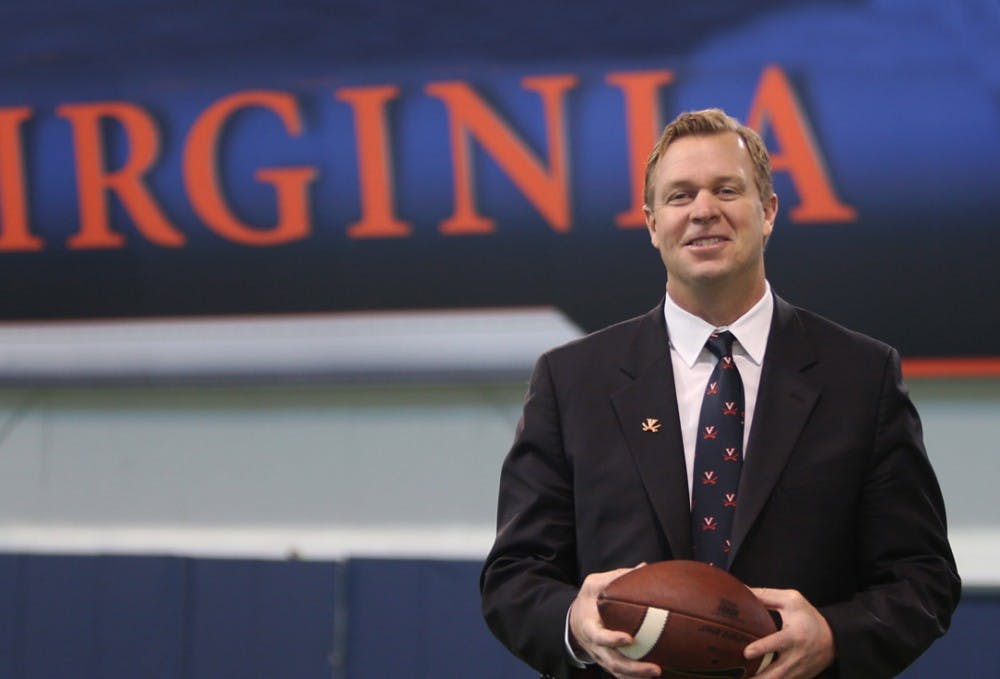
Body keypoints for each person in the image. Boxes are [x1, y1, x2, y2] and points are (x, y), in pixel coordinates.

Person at [479, 108, 960, 679]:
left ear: (769, 212)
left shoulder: (862, 376)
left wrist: (834, 636)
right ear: (653, 224)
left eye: (726, 190)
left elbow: (922, 576)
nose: (703, 210)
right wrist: (573, 624)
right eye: (680, 196)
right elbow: (514, 575)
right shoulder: (571, 380)